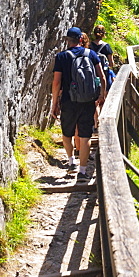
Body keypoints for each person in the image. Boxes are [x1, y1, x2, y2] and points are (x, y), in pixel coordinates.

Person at [51, 27, 106, 177]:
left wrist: (54, 103)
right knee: (85, 136)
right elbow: (101, 77)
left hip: (68, 101)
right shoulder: (91, 54)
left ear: (67, 40)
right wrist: (101, 95)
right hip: (88, 101)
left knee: (67, 134)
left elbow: (56, 83)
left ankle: (71, 163)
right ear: (81, 39)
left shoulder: (61, 57)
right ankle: (82, 171)